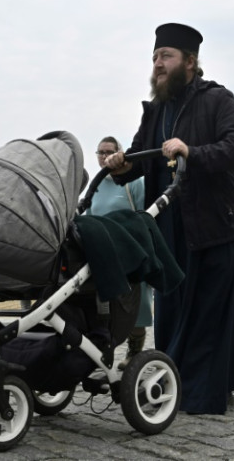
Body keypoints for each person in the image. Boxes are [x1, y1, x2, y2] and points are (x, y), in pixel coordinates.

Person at [104, 22, 234, 415]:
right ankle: (173, 383)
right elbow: (142, 156)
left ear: (189, 62)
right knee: (173, 313)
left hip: (215, 226)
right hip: (171, 229)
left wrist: (192, 150)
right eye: (155, 57)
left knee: (210, 313)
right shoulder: (156, 110)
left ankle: (203, 393)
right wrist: (120, 165)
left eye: (166, 56)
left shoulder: (216, 99)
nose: (158, 64)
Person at [86, 136, 153, 369]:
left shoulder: (131, 182)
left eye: (109, 152)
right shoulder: (94, 184)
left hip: (130, 250)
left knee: (136, 305)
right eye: (100, 152)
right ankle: (105, 353)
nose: (104, 156)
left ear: (118, 153)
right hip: (104, 253)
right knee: (107, 307)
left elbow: (146, 213)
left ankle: (135, 352)